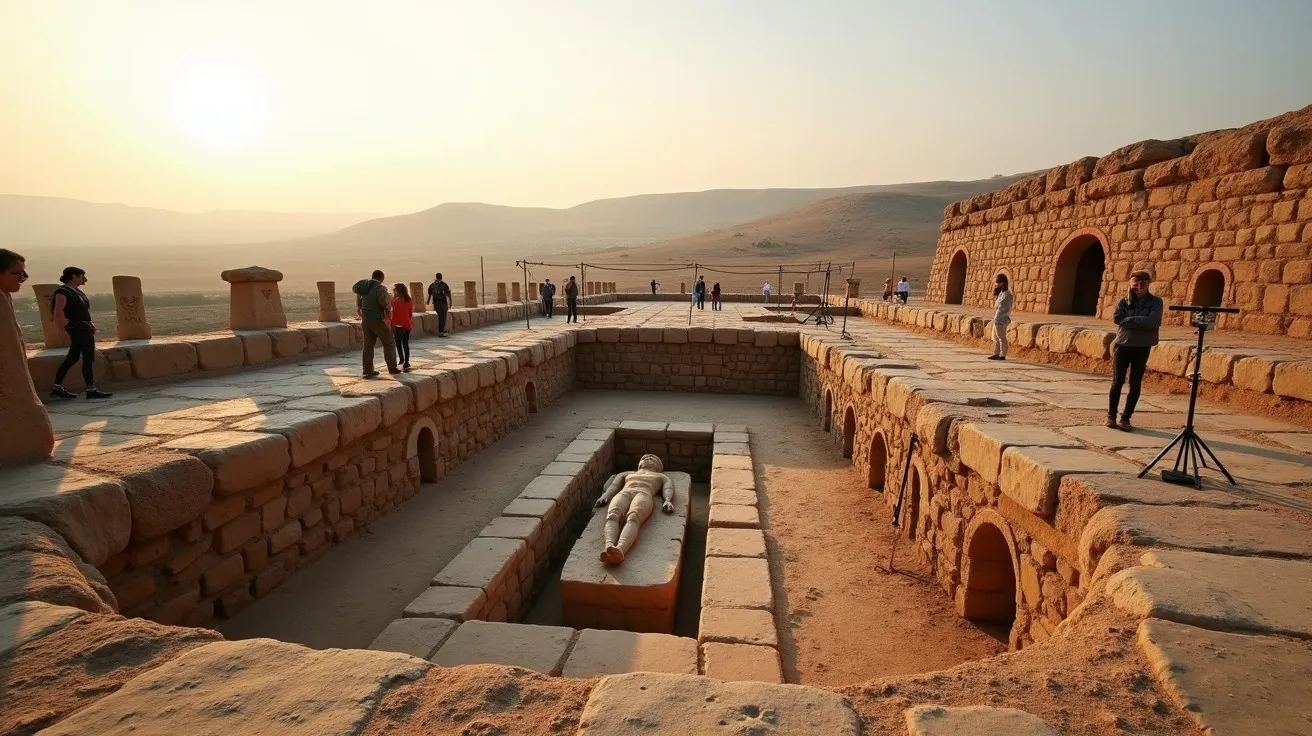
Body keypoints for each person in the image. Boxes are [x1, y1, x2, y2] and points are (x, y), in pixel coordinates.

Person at [593, 454, 675, 564]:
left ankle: (621, 549)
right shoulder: (627, 473)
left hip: (644, 493)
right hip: (624, 492)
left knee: (633, 518)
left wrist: (668, 500)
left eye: (652, 458)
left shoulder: (661, 476)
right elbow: (614, 486)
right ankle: (608, 546)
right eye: (644, 457)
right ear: (639, 464)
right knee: (612, 515)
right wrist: (605, 496)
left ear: (658, 466)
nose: (648, 458)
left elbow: (668, 488)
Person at [1108, 270, 1163, 431]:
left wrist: (1130, 320)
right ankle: (1111, 416)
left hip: (1142, 346)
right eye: (1135, 285)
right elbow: (1117, 319)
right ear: (1130, 285)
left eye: (1142, 284)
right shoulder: (1123, 302)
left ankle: (1126, 418)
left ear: (1148, 285)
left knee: (1135, 383)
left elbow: (1154, 321)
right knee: (1117, 382)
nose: (1139, 287)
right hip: (1123, 344)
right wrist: (1141, 322)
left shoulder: (1156, 302)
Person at [49, 267, 112, 399]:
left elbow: (82, 312)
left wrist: (90, 323)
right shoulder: (63, 291)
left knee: (73, 357)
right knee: (88, 357)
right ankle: (91, 389)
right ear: (74, 276)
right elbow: (58, 311)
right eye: (82, 276)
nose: (85, 279)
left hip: (83, 327)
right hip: (77, 329)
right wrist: (62, 331)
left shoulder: (77, 292)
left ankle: (57, 387)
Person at [353, 269, 400, 377]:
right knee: (389, 342)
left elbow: (359, 298)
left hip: (365, 320)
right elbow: (383, 303)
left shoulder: (363, 286)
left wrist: (359, 306)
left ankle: (367, 369)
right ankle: (392, 368)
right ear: (381, 278)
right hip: (378, 319)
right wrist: (388, 308)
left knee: (368, 345)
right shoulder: (380, 288)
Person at [987, 274, 1014, 361]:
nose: (997, 284)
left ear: (1003, 283)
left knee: (1001, 337)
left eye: (999, 282)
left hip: (1002, 318)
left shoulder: (1008, 295)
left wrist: (998, 318)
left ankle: (1002, 354)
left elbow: (1004, 308)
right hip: (997, 318)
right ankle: (996, 353)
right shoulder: (1001, 294)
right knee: (996, 337)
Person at [392, 283, 414, 371]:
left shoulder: (395, 301)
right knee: (405, 343)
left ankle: (401, 359)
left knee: (398, 343)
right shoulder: (409, 300)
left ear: (398, 291)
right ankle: (407, 362)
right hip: (407, 324)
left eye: (395, 290)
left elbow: (393, 313)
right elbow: (410, 313)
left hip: (399, 325)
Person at [426, 272, 452, 337]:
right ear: (441, 277)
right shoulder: (444, 284)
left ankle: (442, 331)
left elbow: (430, 294)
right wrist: (450, 303)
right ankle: (441, 331)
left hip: (436, 303)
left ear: (436, 277)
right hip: (443, 303)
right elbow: (448, 294)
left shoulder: (432, 285)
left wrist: (428, 301)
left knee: (440, 316)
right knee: (443, 317)